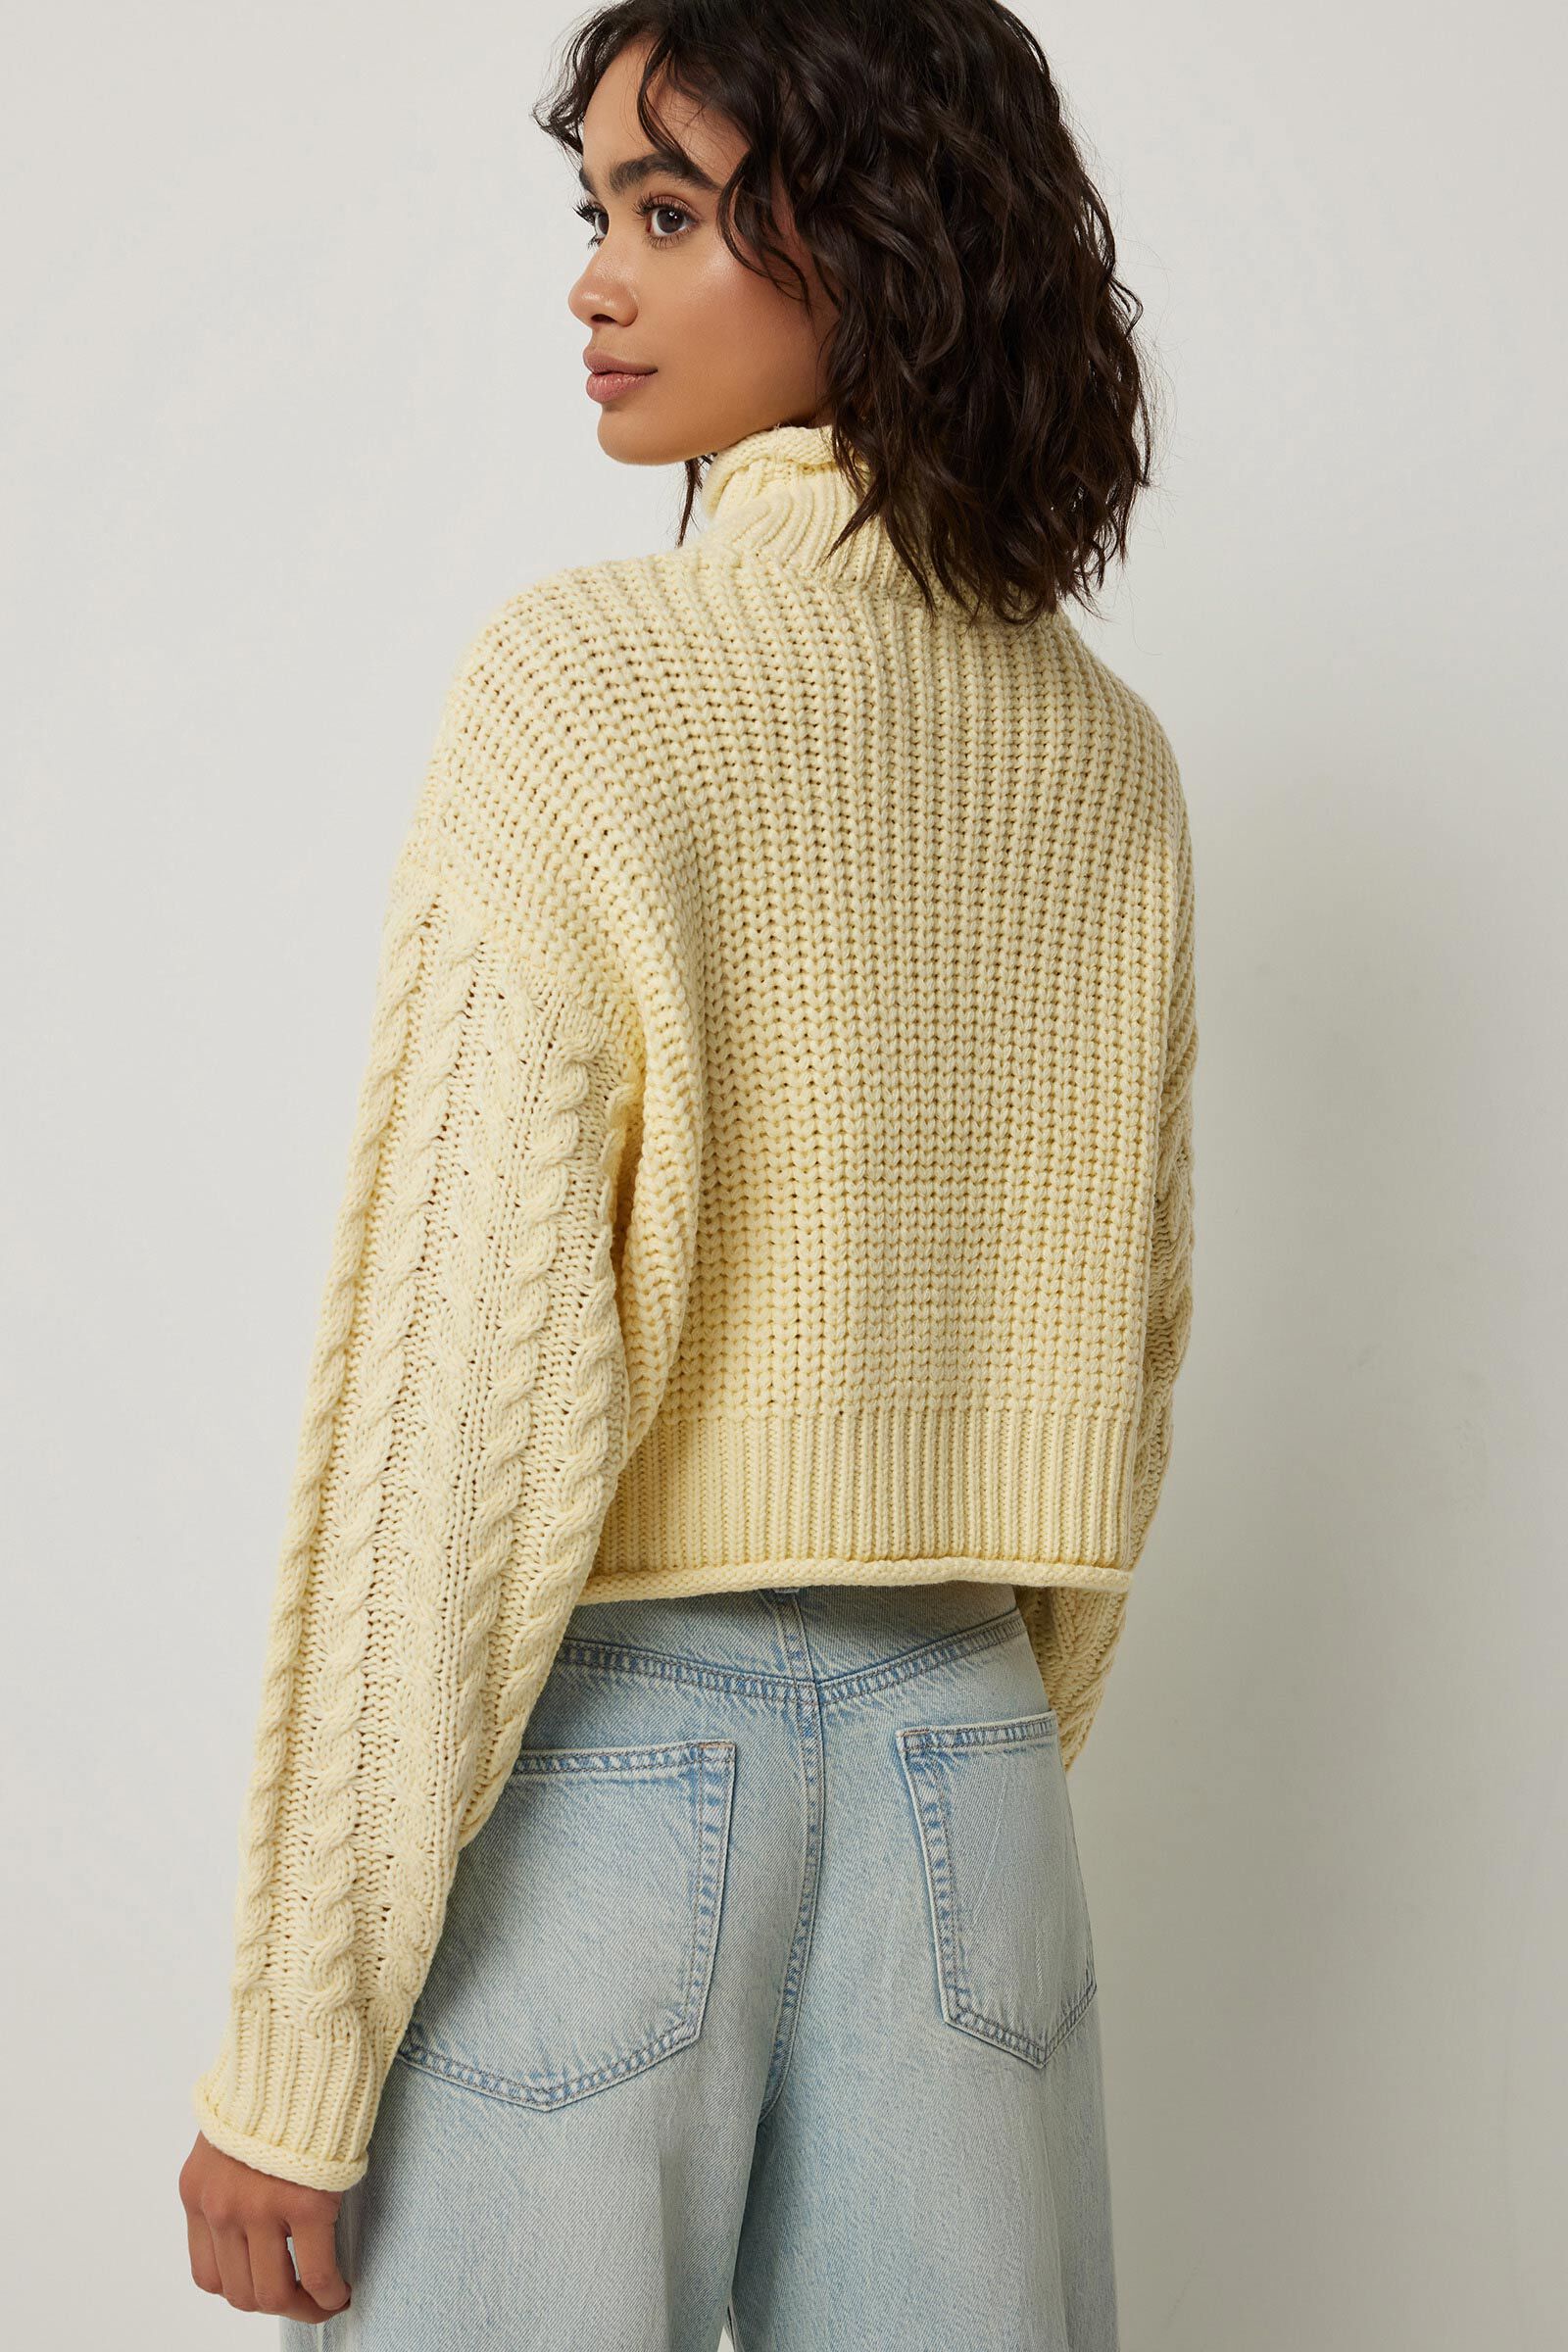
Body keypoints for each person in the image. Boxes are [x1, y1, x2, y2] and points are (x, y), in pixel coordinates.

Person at [177, 2, 1197, 2343]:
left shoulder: (587, 687)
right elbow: (1123, 1361)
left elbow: (454, 1407)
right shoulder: (1104, 757)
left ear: (873, 235)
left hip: (613, 1766)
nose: (593, 279)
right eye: (598, 211)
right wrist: (963, 1740)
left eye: (664, 210)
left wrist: (296, 2053)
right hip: (973, 1767)